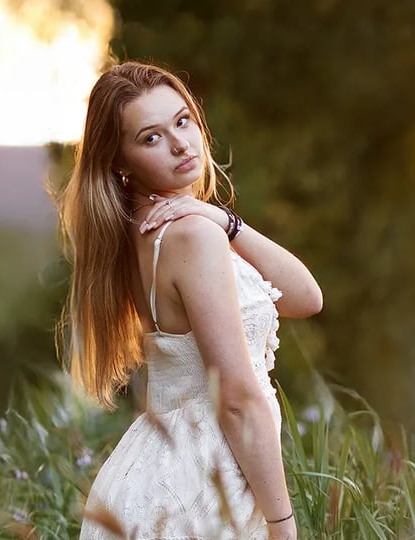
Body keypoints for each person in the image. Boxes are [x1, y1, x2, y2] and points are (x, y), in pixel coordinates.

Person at [53, 60, 322, 540]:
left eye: (182, 121)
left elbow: (306, 296)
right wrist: (284, 526)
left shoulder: (148, 231)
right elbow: (238, 400)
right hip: (200, 493)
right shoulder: (188, 237)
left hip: (151, 481)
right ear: (120, 161)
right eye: (151, 137)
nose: (180, 143)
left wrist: (223, 219)